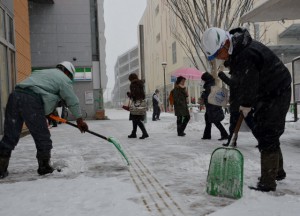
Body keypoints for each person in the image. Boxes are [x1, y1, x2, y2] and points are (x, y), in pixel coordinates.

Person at [202, 27, 291, 192]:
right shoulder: (238, 52)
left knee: (268, 133)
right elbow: (242, 82)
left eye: (217, 54)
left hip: (277, 91)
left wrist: (246, 103)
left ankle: (268, 182)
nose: (218, 58)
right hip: (266, 92)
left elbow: (249, 82)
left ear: (226, 43)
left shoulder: (245, 54)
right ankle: (277, 171)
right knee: (268, 132)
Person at [0, 61, 89, 178]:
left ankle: (1, 169)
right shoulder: (63, 78)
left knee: (10, 136)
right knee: (43, 137)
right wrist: (79, 121)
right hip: (31, 101)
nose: (69, 79)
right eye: (70, 77)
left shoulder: (42, 73)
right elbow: (72, 100)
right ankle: (44, 167)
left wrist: (46, 112)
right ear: (67, 72)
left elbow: (44, 95)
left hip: (15, 97)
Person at [218, 70, 255, 147]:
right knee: (250, 123)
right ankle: (232, 141)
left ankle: (231, 142)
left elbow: (232, 84)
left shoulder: (238, 73)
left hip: (238, 104)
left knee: (235, 125)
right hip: (242, 103)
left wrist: (221, 75)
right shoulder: (242, 73)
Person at [200, 72, 229, 141]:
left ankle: (225, 134)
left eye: (203, 80)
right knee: (207, 119)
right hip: (212, 106)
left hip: (212, 107)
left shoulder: (209, 85)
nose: (202, 82)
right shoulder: (211, 84)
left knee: (215, 121)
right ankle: (207, 135)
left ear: (206, 79)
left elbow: (209, 96)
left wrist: (203, 95)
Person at [127, 73, 149, 139]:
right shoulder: (141, 84)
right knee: (135, 118)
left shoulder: (133, 84)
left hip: (136, 103)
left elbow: (134, 94)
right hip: (141, 102)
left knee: (136, 119)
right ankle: (134, 133)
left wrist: (129, 94)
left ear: (131, 79)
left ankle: (145, 133)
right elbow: (142, 94)